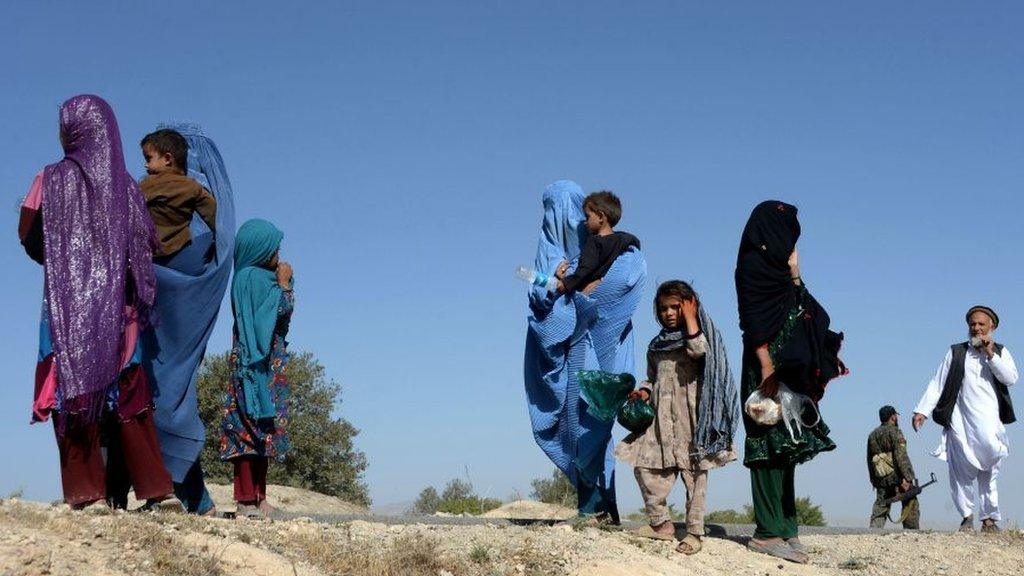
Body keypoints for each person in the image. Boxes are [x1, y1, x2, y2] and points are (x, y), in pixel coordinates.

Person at [18, 94, 172, 509]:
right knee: (129, 390)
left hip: (66, 308)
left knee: (71, 390)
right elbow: (143, 245)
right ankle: (156, 490)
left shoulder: (47, 180)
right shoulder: (125, 185)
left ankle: (86, 495)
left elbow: (29, 236)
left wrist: (66, 262)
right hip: (119, 312)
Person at [524, 180, 646, 524]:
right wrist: (561, 289)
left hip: (605, 350)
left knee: (596, 423)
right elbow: (542, 303)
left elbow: (625, 283)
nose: (561, 218)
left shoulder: (613, 247)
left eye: (570, 209)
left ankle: (603, 507)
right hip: (568, 354)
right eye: (553, 211)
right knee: (576, 425)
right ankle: (592, 506)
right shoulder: (547, 249)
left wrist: (583, 297)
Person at [735, 200, 846, 563]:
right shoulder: (753, 266)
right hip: (765, 369)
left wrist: (796, 273)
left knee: (787, 447)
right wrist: (766, 367)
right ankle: (766, 533)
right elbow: (753, 320)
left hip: (789, 370)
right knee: (767, 445)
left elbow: (807, 308)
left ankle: (786, 527)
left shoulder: (782, 273)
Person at [142, 123, 236, 516]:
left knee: (154, 394)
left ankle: (182, 496)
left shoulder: (153, 202)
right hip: (162, 325)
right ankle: (186, 497)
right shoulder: (205, 221)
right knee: (166, 395)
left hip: (153, 322)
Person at [615, 281, 739, 554]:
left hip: (693, 421)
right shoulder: (657, 344)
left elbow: (698, 351)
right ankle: (661, 525)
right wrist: (644, 392)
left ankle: (694, 532)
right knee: (644, 467)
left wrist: (692, 318)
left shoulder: (700, 337)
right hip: (659, 421)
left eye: (675, 307)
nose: (669, 313)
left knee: (695, 476)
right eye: (663, 308)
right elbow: (651, 376)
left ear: (689, 306)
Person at [912, 305, 1017, 533]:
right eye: (972, 324)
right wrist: (922, 411)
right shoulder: (956, 352)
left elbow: (1010, 378)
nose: (976, 328)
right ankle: (967, 516)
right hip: (960, 420)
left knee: (990, 464)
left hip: (989, 420)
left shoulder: (1000, 351)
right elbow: (937, 382)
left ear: (992, 327)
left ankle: (989, 517)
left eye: (981, 324)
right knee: (959, 470)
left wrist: (991, 354)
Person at [218, 219, 295, 519]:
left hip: (270, 364)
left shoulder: (265, 279)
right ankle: (245, 499)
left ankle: (260, 497)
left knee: (264, 427)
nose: (278, 252)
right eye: (273, 246)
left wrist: (282, 286)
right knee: (246, 427)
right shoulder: (248, 278)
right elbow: (272, 315)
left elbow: (283, 321)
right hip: (252, 365)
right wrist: (284, 286)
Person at [139, 128, 217, 261]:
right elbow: (214, 218)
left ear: (167, 159)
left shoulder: (144, 185)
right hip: (180, 254)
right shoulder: (193, 187)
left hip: (147, 256)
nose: (146, 165)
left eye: (149, 158)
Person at [554, 190, 640, 294]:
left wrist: (565, 284)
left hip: (592, 295)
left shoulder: (594, 242)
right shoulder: (624, 240)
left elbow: (585, 269)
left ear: (600, 217)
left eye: (587, 217)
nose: (585, 222)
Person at [867, 406, 919, 529]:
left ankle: (873, 534)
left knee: (880, 507)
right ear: (893, 416)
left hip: (881, 478)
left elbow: (869, 460)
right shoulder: (895, 432)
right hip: (898, 478)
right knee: (910, 502)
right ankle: (911, 535)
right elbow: (901, 456)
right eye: (896, 415)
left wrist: (874, 480)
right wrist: (907, 477)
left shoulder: (872, 435)